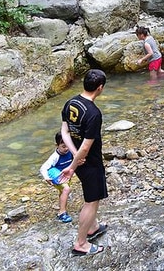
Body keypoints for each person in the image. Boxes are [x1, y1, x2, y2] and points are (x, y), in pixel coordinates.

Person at [59, 69, 109, 257]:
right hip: (89, 162)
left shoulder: (71, 102)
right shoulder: (94, 113)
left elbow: (64, 132)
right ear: (100, 88)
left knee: (91, 194)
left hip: (79, 159)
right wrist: (73, 166)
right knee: (92, 200)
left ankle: (93, 227)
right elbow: (86, 147)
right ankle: (81, 243)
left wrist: (74, 155)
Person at [39, 132, 74, 223]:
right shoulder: (55, 157)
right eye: (63, 146)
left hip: (65, 172)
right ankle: (62, 213)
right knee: (66, 189)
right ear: (57, 145)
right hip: (54, 172)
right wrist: (46, 177)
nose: (66, 148)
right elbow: (43, 167)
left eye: (68, 145)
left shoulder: (71, 151)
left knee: (63, 191)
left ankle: (62, 207)